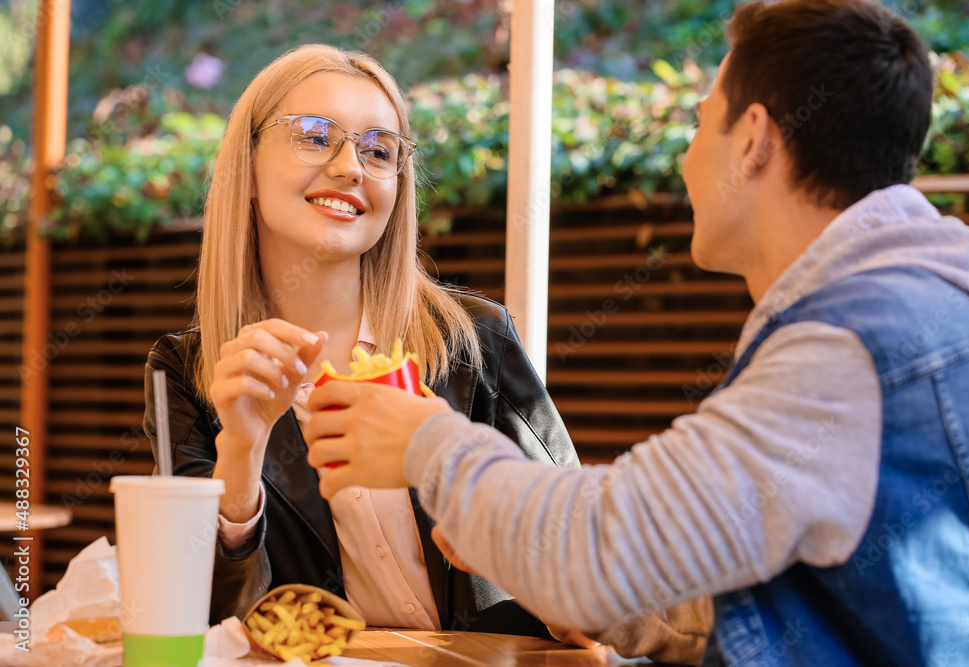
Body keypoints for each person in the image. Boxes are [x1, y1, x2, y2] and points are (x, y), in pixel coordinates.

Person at [302, 1, 969, 664]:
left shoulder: (848, 346)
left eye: (702, 124)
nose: (687, 160)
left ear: (753, 139)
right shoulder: (942, 297)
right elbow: (758, 583)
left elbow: (609, 542)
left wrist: (425, 442)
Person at [142, 43, 711, 659]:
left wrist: (567, 607)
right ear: (246, 167)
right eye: (313, 135)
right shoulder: (189, 373)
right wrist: (242, 451)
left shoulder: (475, 340)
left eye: (378, 150)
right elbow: (198, 626)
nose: (349, 167)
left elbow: (577, 554)